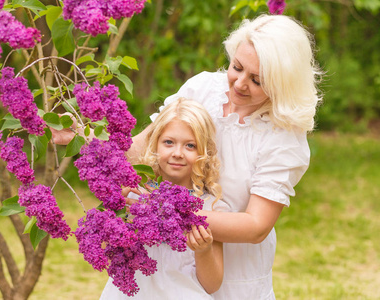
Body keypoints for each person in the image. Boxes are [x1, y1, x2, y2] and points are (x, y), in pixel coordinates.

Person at [128, 14, 323, 299]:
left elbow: (256, 226)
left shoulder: (284, 137)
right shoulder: (203, 89)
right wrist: (82, 136)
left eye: (257, 80)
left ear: (282, 83)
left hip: (233, 275)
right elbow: (143, 147)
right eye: (237, 67)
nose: (240, 84)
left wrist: (168, 212)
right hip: (170, 267)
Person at [100, 97, 230, 299]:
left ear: (205, 152)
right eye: (169, 142)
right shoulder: (135, 195)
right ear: (155, 144)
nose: (177, 153)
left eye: (190, 146)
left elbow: (212, 284)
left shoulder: (210, 208)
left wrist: (203, 251)